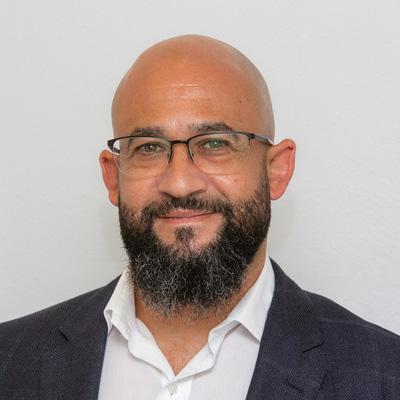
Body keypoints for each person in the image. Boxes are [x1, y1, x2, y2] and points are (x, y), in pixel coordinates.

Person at [0, 34, 399, 400]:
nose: (179, 183)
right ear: (113, 176)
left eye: (215, 143)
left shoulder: (385, 375)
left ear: (276, 170)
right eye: (148, 147)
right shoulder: (10, 360)